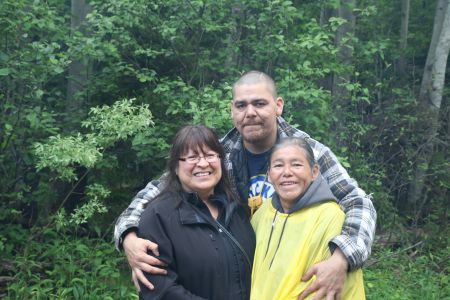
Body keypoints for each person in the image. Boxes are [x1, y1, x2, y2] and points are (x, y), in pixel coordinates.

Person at [115, 71, 377, 299]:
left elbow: (358, 201)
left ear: (278, 106)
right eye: (241, 105)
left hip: (299, 280)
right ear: (232, 110)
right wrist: (128, 235)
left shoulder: (307, 152)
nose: (250, 113)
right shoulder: (220, 153)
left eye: (259, 103)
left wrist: (342, 258)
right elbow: (159, 189)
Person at [137, 124, 255, 299]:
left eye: (209, 155)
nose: (203, 163)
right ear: (176, 167)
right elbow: (160, 290)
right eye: (192, 157)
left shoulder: (235, 210)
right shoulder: (158, 217)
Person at [250, 137, 365, 300]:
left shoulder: (330, 217)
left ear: (314, 172)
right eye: (278, 165)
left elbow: (331, 290)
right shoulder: (262, 214)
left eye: (296, 164)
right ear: (269, 175)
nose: (287, 172)